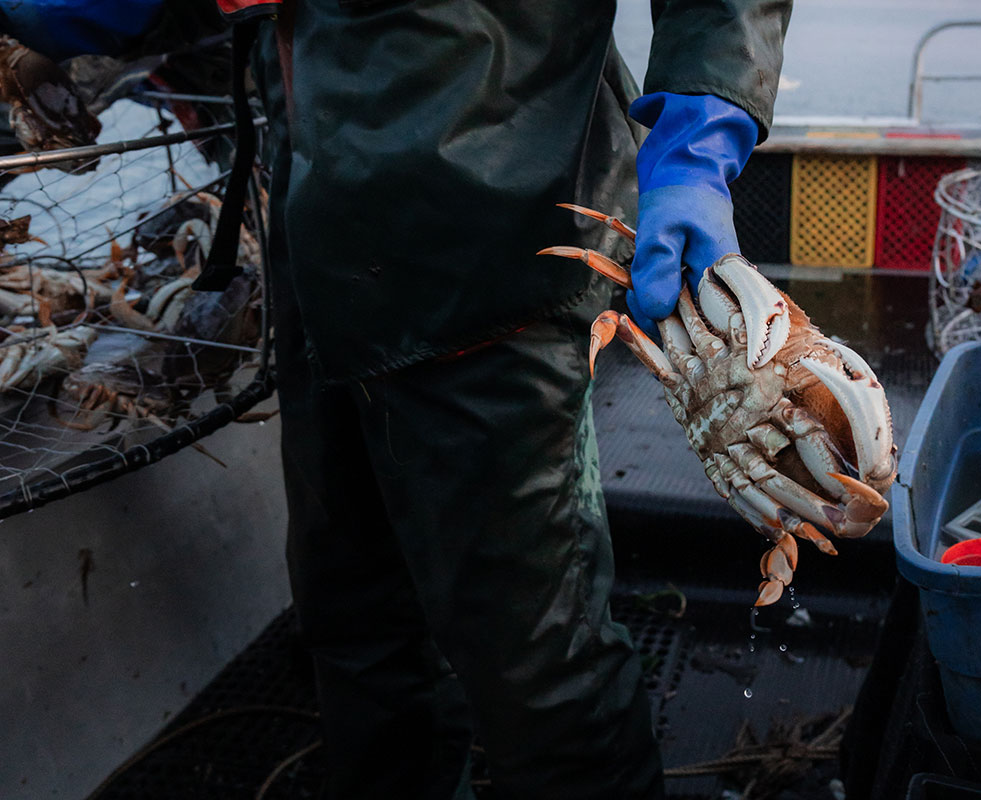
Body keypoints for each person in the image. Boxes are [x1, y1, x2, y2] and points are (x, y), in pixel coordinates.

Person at [10, 1, 793, 796]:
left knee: (539, 665)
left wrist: (696, 151)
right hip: (318, 237)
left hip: (496, 237)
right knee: (354, 619)